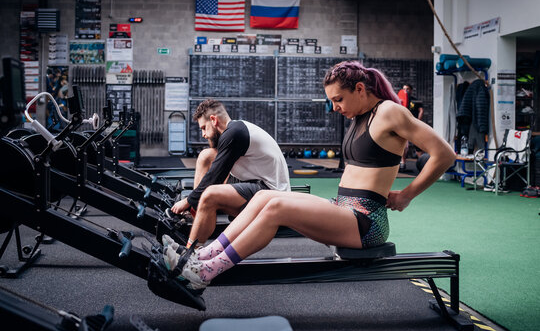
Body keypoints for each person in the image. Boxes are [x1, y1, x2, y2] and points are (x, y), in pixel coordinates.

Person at [163, 61, 455, 294]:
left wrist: (406, 195)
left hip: (366, 222)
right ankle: (200, 256)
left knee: (278, 208)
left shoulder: (391, 112)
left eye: (339, 99)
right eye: (332, 102)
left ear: (360, 89)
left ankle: (206, 273)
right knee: (265, 196)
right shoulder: (358, 118)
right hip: (343, 208)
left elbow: (444, 154)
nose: (335, 108)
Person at [169, 99, 290, 248]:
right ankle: (198, 212)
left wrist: (188, 201)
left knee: (210, 195)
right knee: (206, 156)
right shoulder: (235, 130)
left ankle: (189, 252)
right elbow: (217, 168)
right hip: (254, 184)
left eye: (204, 128)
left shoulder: (234, 133)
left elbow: (215, 176)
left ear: (213, 120)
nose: (203, 134)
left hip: (270, 193)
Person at [398, 84, 425, 170]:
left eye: (407, 89)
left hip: (413, 125)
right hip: (404, 125)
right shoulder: (400, 101)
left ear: (411, 90)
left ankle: (423, 163)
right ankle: (403, 163)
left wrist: (417, 121)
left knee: (418, 144)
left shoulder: (415, 101)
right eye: (404, 89)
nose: (406, 90)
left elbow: (421, 110)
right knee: (403, 145)